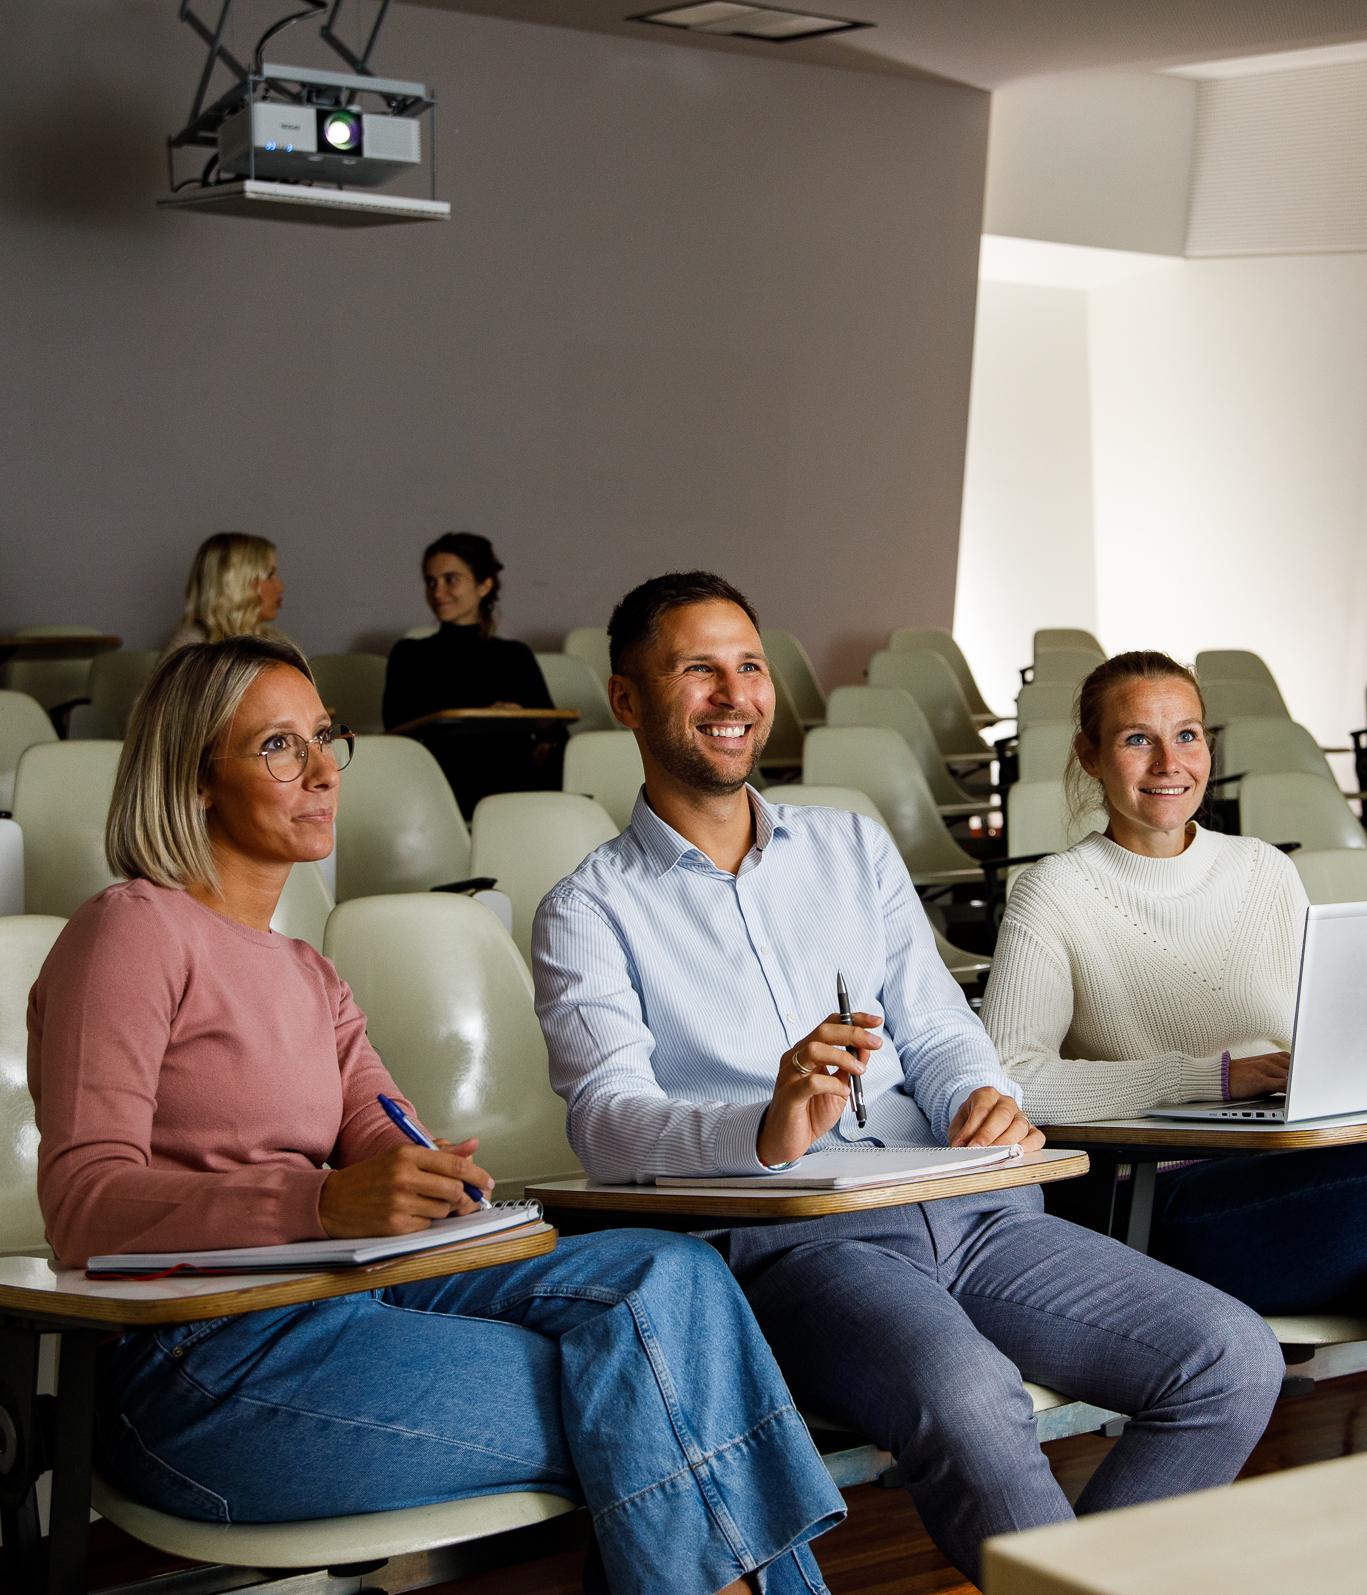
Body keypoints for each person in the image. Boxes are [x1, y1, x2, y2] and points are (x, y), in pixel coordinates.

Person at [27, 635, 844, 1595]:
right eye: (280, 747)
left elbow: (384, 1133)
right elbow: (85, 1206)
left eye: (326, 738)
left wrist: (431, 1179)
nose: (325, 769)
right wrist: (324, 1203)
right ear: (194, 778)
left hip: (352, 1306)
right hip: (204, 1365)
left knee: (676, 1276)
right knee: (664, 1394)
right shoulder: (130, 930)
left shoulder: (307, 971)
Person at [531, 573, 1284, 1588]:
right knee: (971, 1395)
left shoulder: (849, 845)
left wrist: (980, 1091)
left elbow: (937, 1029)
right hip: (801, 1243)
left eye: (748, 665)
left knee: (1230, 1355)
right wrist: (767, 1122)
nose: (734, 693)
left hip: (972, 1208)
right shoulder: (587, 908)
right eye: (695, 669)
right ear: (626, 699)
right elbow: (607, 1123)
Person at [981, 649, 1367, 1315]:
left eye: (1186, 734)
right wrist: (1208, 1077)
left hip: (1307, 1165)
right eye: (1138, 739)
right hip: (1167, 1202)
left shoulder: (1264, 869)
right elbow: (1010, 1081)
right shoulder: (1053, 891)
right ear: (1090, 754)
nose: (1169, 763)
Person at [383, 531, 560, 815]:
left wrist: (518, 720)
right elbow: (397, 729)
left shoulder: (516, 654)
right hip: (442, 778)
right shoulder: (409, 654)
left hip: (512, 772)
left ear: (484, 585)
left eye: (451, 579)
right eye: (431, 582)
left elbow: (553, 729)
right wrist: (486, 717)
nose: (437, 592)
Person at [164, 532, 285, 652]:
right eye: (269, 575)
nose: (280, 587)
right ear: (235, 582)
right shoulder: (189, 647)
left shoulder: (274, 641)